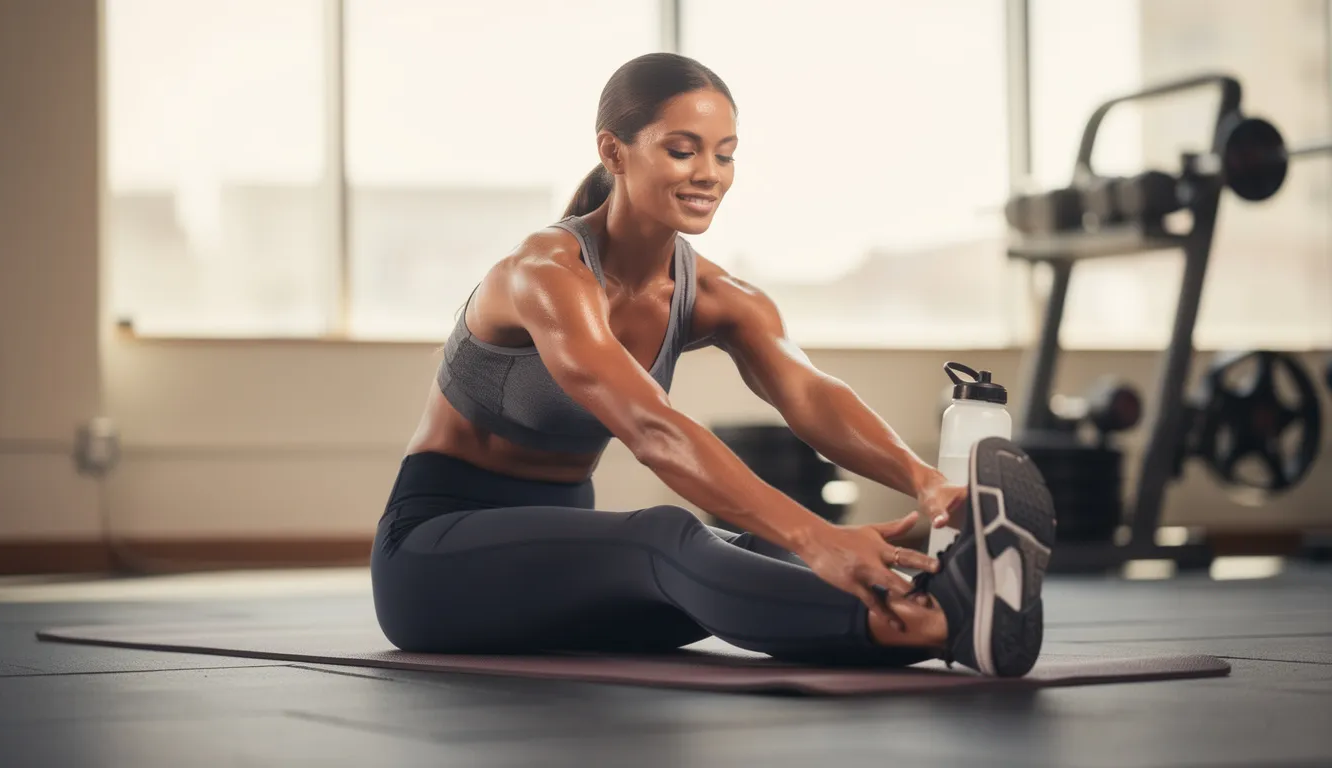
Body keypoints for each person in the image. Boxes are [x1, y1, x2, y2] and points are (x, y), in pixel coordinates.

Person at [369, 52, 1056, 676]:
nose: (709, 173)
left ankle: (935, 607)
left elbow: (809, 393)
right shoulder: (545, 275)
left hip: (568, 576)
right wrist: (818, 536)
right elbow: (653, 429)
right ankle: (943, 624)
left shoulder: (719, 295)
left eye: (725, 155)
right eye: (682, 149)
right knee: (669, 537)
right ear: (613, 151)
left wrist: (925, 482)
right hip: (434, 569)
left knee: (757, 553)